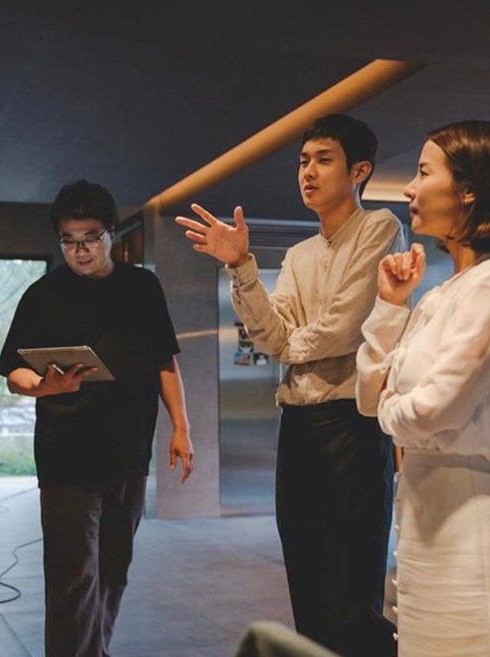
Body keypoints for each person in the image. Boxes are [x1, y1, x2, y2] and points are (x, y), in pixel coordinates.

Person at [176, 114, 402, 656]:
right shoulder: (298, 255)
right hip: (297, 426)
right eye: (303, 161)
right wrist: (241, 265)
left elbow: (345, 325)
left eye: (324, 160)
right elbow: (268, 333)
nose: (308, 172)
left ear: (359, 171)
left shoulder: (380, 227)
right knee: (306, 579)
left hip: (352, 425)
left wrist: (287, 346)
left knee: (352, 594)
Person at [355, 119, 490, 657]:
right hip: (420, 537)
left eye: (423, 172)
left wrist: (394, 406)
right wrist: (391, 304)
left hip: (473, 538)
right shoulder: (439, 295)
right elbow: (368, 397)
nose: (409, 189)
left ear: (469, 189)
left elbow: (434, 409)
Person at [0, 180, 194, 657]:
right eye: (68, 241)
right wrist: (43, 386)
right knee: (72, 577)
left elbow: (165, 362)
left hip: (129, 452)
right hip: (66, 455)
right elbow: (13, 372)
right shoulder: (42, 295)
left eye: (89, 238)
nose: (80, 251)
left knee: (112, 572)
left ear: (111, 233)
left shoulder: (142, 288)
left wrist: (182, 428)